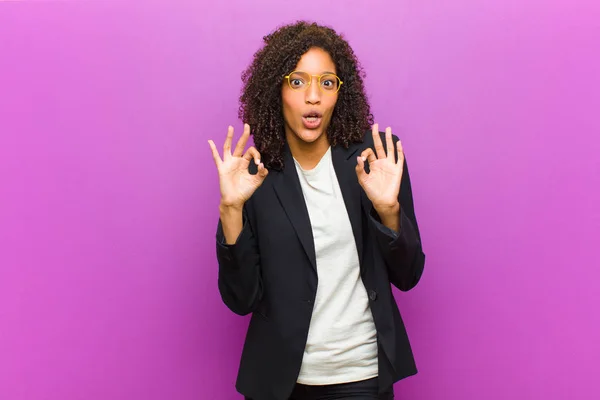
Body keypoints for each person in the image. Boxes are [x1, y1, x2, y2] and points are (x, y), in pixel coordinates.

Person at [208, 21, 425, 400]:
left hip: (361, 376)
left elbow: (408, 276)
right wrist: (231, 209)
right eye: (297, 82)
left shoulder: (375, 159)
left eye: (327, 82)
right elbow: (241, 299)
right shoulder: (254, 176)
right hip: (280, 382)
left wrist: (389, 210)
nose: (313, 97)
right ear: (276, 89)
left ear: (340, 93)